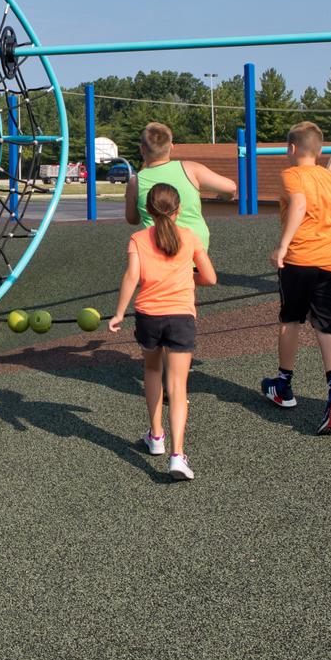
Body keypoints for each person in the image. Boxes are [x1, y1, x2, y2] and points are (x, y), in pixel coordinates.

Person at [109, 184, 218, 481]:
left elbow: (132, 276)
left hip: (148, 316)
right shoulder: (190, 237)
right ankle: (177, 455)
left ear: (148, 210)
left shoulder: (138, 238)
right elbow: (210, 277)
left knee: (152, 370)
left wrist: (119, 313)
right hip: (181, 316)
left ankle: (156, 436)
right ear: (178, 209)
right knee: (178, 387)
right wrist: (186, 274)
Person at [262, 121, 331, 435]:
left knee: (291, 320)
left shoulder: (291, 175)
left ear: (291, 149)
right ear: (320, 150)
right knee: (327, 328)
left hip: (301, 259)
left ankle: (284, 386)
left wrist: (283, 246)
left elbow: (299, 204)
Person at [124, 121, 237, 248]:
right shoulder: (190, 169)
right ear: (171, 147)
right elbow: (231, 187)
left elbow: (132, 219)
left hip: (158, 248)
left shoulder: (135, 182)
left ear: (142, 149)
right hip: (195, 249)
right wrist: (225, 196)